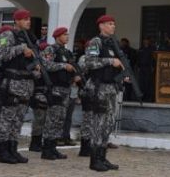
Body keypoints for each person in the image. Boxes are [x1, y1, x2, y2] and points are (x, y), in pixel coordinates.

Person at [0, 8, 37, 164]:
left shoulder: (30, 37)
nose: (28, 21)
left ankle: (13, 149)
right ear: (16, 21)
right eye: (25, 19)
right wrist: (20, 49)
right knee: (7, 118)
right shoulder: (7, 35)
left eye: (29, 19)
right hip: (12, 83)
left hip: (26, 83)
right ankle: (3, 151)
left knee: (18, 119)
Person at [83, 15, 124, 171]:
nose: (113, 26)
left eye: (114, 24)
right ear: (101, 26)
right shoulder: (95, 42)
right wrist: (110, 61)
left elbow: (118, 63)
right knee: (99, 124)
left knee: (108, 124)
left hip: (111, 87)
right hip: (99, 88)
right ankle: (94, 160)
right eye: (110, 24)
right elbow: (89, 63)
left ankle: (103, 157)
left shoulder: (113, 43)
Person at [41, 26, 81, 160]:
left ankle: (53, 148)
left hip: (66, 88)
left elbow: (73, 67)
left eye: (67, 34)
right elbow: (45, 65)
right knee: (52, 119)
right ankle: (46, 149)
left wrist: (76, 75)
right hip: (55, 88)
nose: (67, 37)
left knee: (60, 120)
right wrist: (63, 66)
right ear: (57, 37)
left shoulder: (67, 52)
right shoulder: (50, 49)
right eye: (64, 35)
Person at [137, 38, 155, 102]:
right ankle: (142, 97)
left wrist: (153, 66)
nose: (145, 41)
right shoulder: (141, 49)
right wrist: (138, 67)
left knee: (148, 83)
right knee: (141, 83)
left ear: (149, 41)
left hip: (148, 68)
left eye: (146, 40)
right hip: (141, 68)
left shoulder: (151, 49)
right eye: (144, 40)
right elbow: (138, 58)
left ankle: (148, 97)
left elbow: (153, 59)